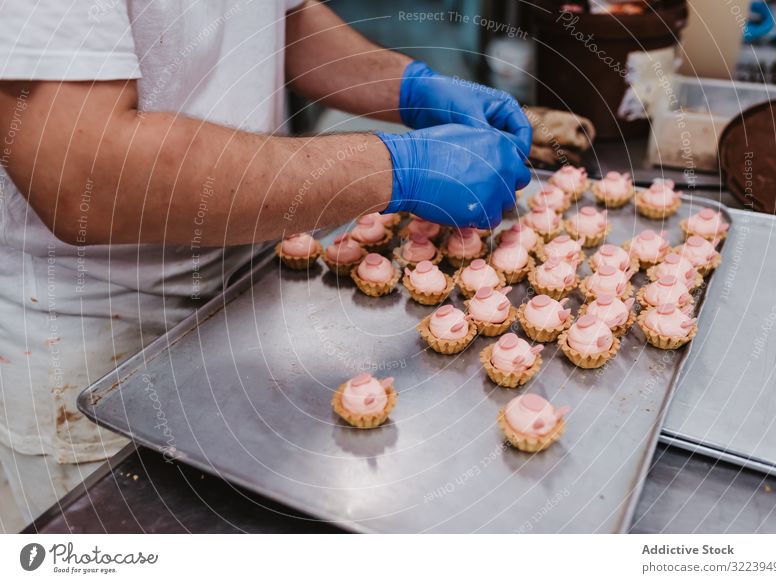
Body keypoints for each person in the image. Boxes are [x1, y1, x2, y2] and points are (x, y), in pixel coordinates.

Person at [0, 0, 532, 527]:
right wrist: (392, 167)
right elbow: (80, 173)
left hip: (254, 303)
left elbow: (281, 19)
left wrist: (410, 87)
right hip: (102, 354)